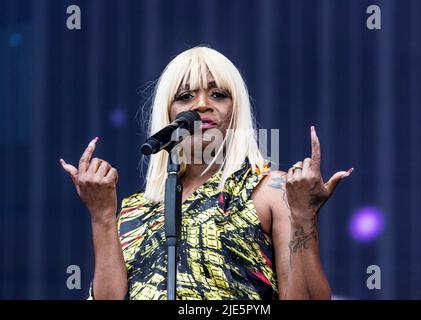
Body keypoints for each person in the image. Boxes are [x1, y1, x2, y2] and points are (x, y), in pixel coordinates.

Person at [59, 46, 353, 300]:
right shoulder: (137, 208)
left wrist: (303, 214)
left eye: (218, 94)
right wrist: (101, 215)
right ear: (169, 114)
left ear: (235, 110)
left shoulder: (269, 190)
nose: (201, 104)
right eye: (186, 96)